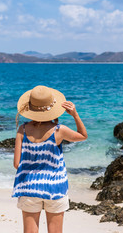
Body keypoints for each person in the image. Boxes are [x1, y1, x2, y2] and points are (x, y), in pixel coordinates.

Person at [12, 85, 88, 233]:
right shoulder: (59, 130)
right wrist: (75, 115)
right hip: (55, 188)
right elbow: (83, 136)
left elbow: (17, 164)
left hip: (29, 188)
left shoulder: (23, 130)